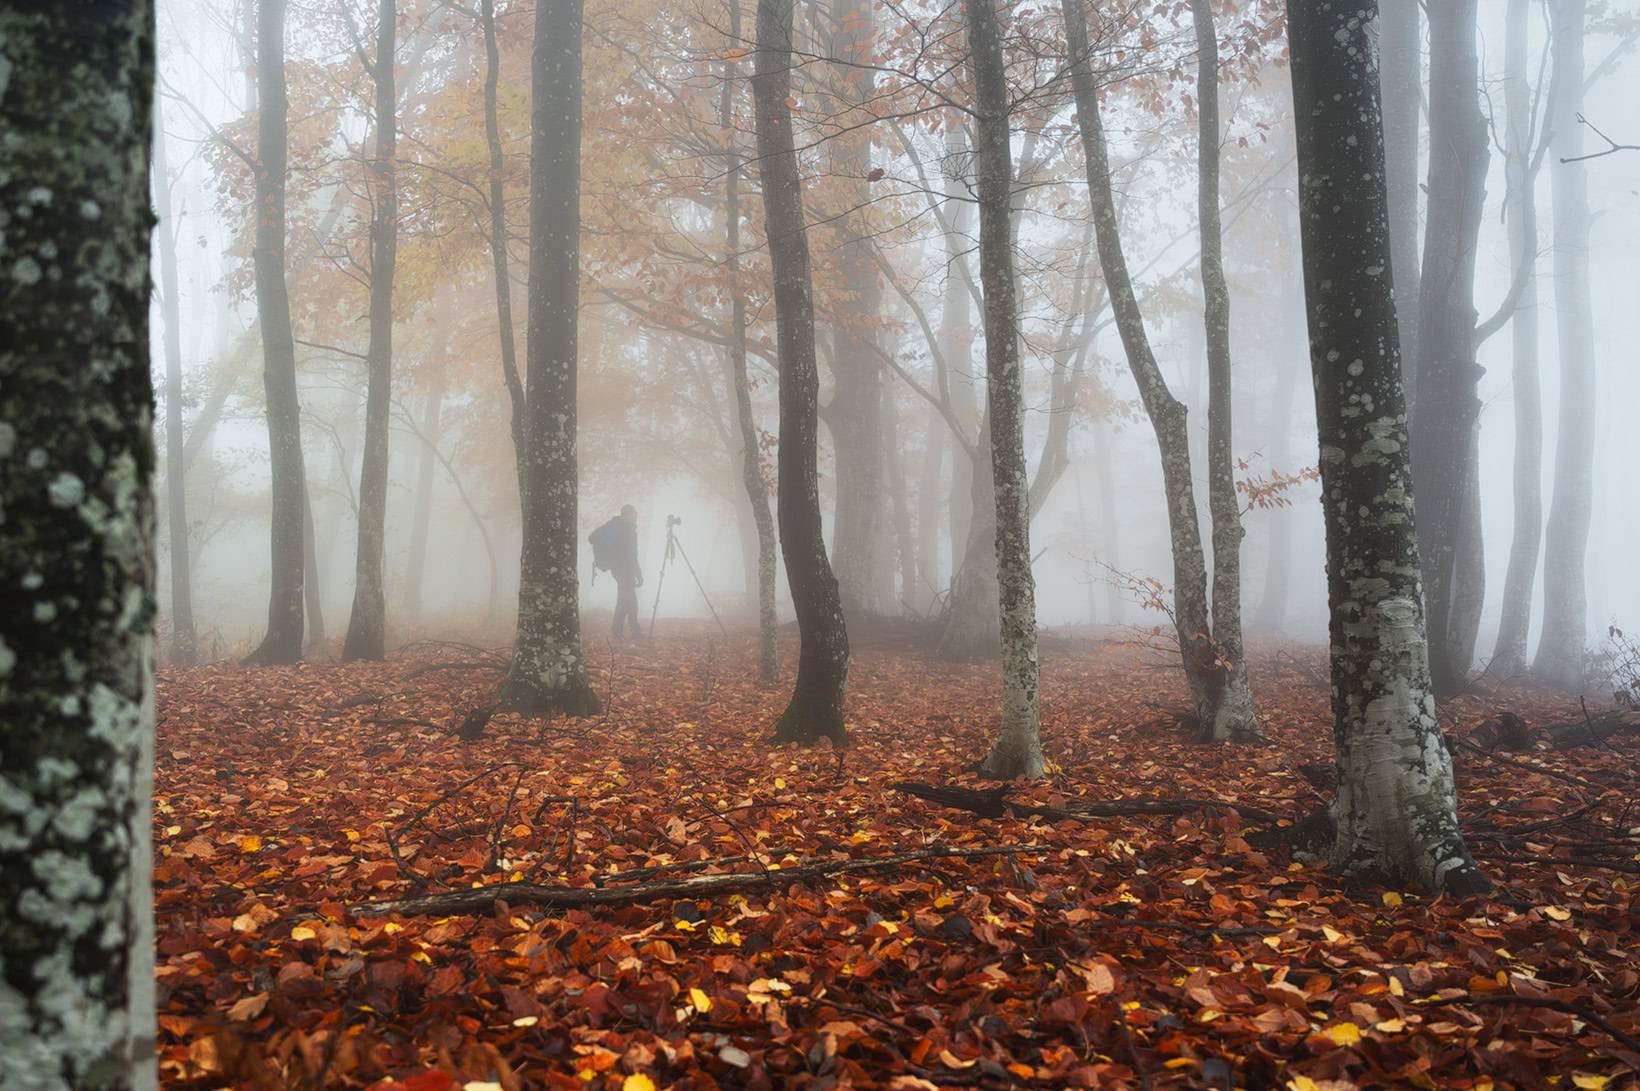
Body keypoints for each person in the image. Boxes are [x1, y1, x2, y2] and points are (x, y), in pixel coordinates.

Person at [605, 504, 643, 638]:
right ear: (627, 513)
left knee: (624, 600)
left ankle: (618, 631)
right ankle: (633, 631)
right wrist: (638, 575)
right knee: (630, 601)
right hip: (625, 570)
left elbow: (631, 555)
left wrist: (637, 574)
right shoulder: (626, 529)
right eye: (634, 512)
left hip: (619, 570)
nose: (636, 515)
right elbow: (632, 555)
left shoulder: (622, 527)